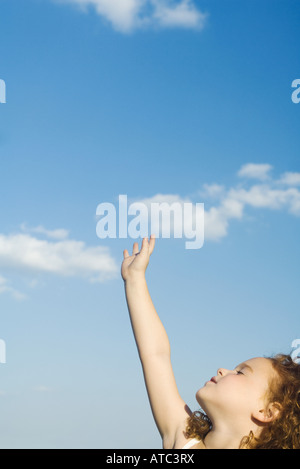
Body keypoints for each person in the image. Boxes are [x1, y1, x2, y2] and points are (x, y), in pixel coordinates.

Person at [121, 236, 300, 449]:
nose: (223, 369)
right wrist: (134, 278)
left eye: (241, 372)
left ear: (267, 412)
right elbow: (155, 355)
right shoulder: (184, 440)